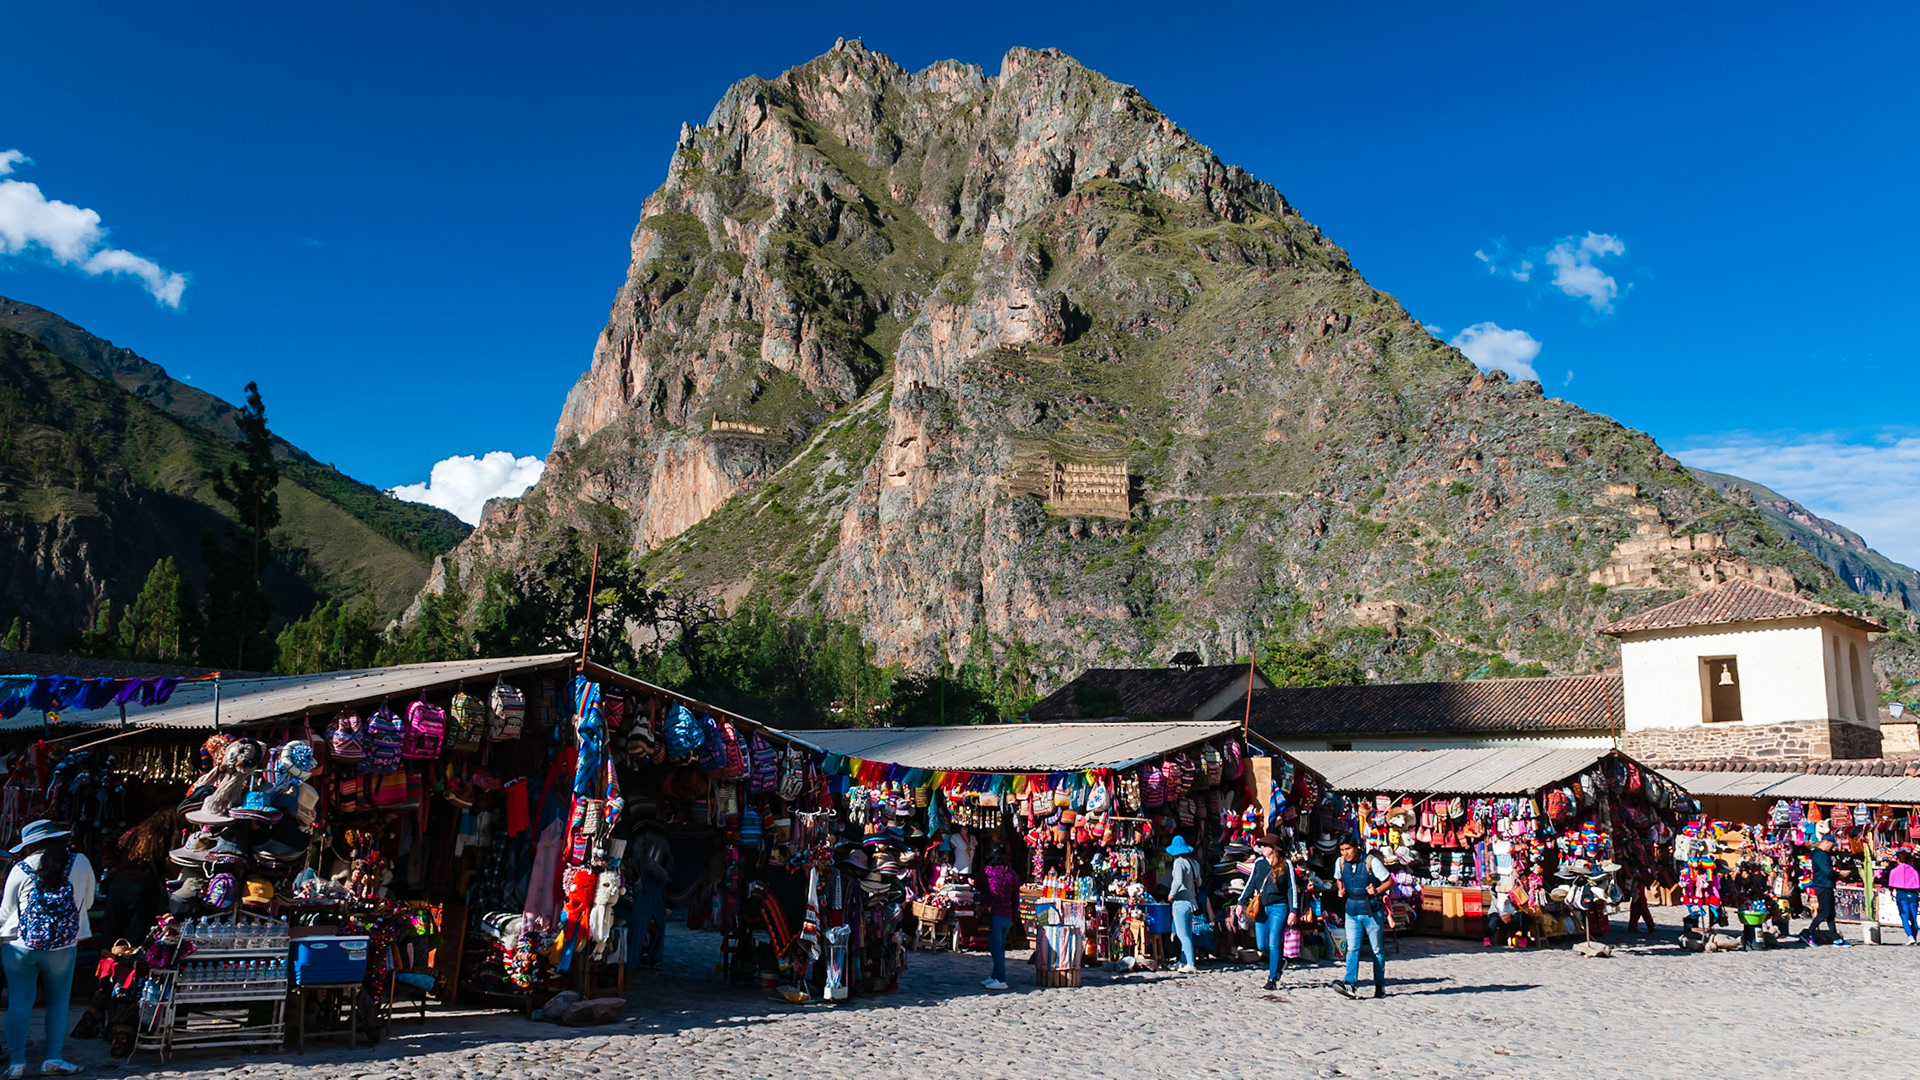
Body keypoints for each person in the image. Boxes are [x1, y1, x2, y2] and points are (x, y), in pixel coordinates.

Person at [0, 820, 93, 1077]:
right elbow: (89, 901)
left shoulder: (20, 868)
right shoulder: (81, 862)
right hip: (63, 946)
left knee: (19, 1002)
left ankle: (17, 1063)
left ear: (30, 845)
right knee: (59, 1002)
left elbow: (6, 911)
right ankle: (53, 1058)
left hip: (20, 946)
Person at [1331, 837, 1390, 1000]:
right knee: (1352, 948)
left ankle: (1380, 985)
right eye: (1342, 850)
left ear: (1356, 847)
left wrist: (1376, 890)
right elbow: (1338, 877)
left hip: (1371, 911)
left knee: (1377, 950)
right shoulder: (1340, 862)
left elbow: (1389, 881)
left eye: (1348, 849)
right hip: (1351, 910)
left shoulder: (1371, 862)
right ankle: (1350, 983)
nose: (1345, 853)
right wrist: (1340, 889)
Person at [1237, 833, 1297, 991]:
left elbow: (1292, 888)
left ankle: (1273, 978)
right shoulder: (1259, 863)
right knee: (1262, 944)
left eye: (1265, 845)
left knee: (1273, 942)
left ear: (1273, 848)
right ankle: (1279, 962)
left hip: (1279, 906)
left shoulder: (1286, 864)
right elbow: (1250, 884)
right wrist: (1240, 902)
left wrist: (1293, 910)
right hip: (1261, 908)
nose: (1262, 848)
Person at [628, 821, 673, 968]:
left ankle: (641, 958)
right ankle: (646, 957)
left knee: (643, 922)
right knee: (644, 922)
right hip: (648, 882)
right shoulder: (652, 839)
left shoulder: (649, 839)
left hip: (650, 882)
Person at [979, 832, 1019, 990]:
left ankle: (1001, 979)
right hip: (1007, 915)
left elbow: (978, 886)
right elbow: (1016, 897)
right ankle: (994, 976)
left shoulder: (986, 872)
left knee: (996, 948)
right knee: (999, 946)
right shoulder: (1012, 874)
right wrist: (1015, 915)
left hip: (993, 914)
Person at [1164, 836, 1203, 974]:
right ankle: (1183, 960)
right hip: (1191, 901)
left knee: (1182, 934)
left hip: (1180, 902)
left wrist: (1171, 894)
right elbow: (1199, 883)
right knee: (1187, 933)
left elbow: (1178, 881)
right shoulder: (1194, 863)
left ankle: (1191, 963)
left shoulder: (1179, 863)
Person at [1802, 839, 1848, 946]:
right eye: (1831, 845)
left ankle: (1835, 938)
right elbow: (1827, 872)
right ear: (1826, 842)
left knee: (1831, 913)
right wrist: (1840, 874)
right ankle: (1809, 933)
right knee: (1824, 912)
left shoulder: (1820, 854)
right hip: (1823, 885)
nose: (1832, 848)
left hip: (1826, 885)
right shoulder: (1821, 856)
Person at [1888, 850, 1920, 945]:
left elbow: (1891, 885)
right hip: (1913, 894)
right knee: (1913, 918)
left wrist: (1891, 892)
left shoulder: (1894, 871)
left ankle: (1910, 936)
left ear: (1898, 860)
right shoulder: (1914, 871)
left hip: (1901, 893)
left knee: (1904, 917)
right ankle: (1914, 936)